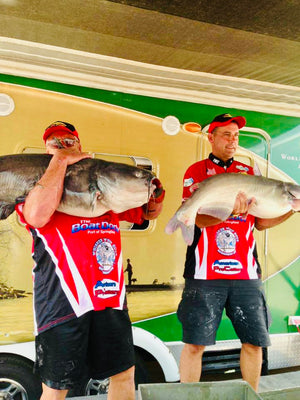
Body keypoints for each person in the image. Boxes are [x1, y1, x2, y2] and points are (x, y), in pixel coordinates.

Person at [15, 121, 165, 400]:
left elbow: (147, 213)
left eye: (69, 140)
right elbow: (37, 215)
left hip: (109, 298)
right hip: (61, 301)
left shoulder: (103, 189)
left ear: (80, 145)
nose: (63, 145)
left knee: (123, 374)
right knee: (57, 385)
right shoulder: (36, 184)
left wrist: (154, 196)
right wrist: (60, 162)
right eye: (56, 142)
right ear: (46, 149)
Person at [177, 113, 297, 391]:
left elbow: (261, 223)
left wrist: (292, 208)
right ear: (212, 137)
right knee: (195, 344)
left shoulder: (249, 172)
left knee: (254, 342)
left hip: (245, 274)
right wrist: (229, 211)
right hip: (204, 274)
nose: (233, 141)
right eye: (226, 135)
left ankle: (250, 396)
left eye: (236, 136)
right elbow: (198, 220)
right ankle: (186, 398)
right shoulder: (196, 171)